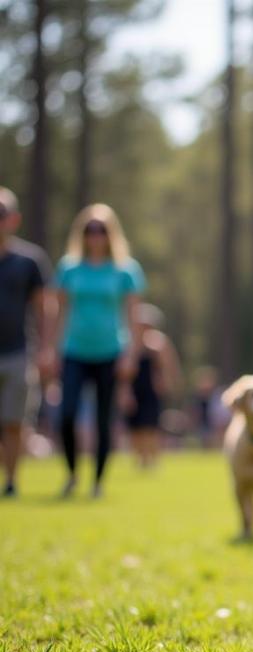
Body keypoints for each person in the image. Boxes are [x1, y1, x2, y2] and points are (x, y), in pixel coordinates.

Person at [51, 204, 145, 497]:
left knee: (104, 420)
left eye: (101, 230)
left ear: (110, 233)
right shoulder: (69, 267)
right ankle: (71, 472)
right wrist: (50, 350)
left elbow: (134, 316)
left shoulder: (125, 269)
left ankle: (98, 481)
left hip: (110, 352)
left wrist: (131, 355)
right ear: (82, 233)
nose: (95, 235)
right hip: (74, 350)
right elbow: (58, 311)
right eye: (90, 230)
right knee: (66, 414)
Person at [0, 187, 53, 497]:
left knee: (13, 422)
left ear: (14, 219)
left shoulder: (30, 261)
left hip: (18, 352)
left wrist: (46, 347)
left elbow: (44, 306)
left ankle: (11, 480)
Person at [119, 303, 181, 467]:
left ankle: (152, 459)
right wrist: (124, 391)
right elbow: (123, 372)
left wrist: (169, 384)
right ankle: (139, 459)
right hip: (135, 389)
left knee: (151, 425)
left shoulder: (158, 342)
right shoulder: (128, 343)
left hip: (152, 390)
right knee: (135, 426)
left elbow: (168, 366)